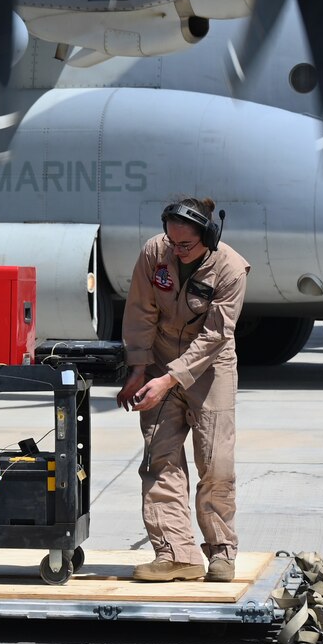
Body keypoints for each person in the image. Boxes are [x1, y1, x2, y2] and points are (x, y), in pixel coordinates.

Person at [118, 197, 251, 583]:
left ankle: (222, 553)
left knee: (216, 463)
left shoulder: (230, 268)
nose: (175, 251)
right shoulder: (154, 253)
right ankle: (176, 554)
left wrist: (169, 379)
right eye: (171, 242)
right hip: (158, 358)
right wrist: (138, 369)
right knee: (160, 460)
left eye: (185, 245)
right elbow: (141, 310)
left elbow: (214, 336)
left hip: (210, 367)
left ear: (209, 236)